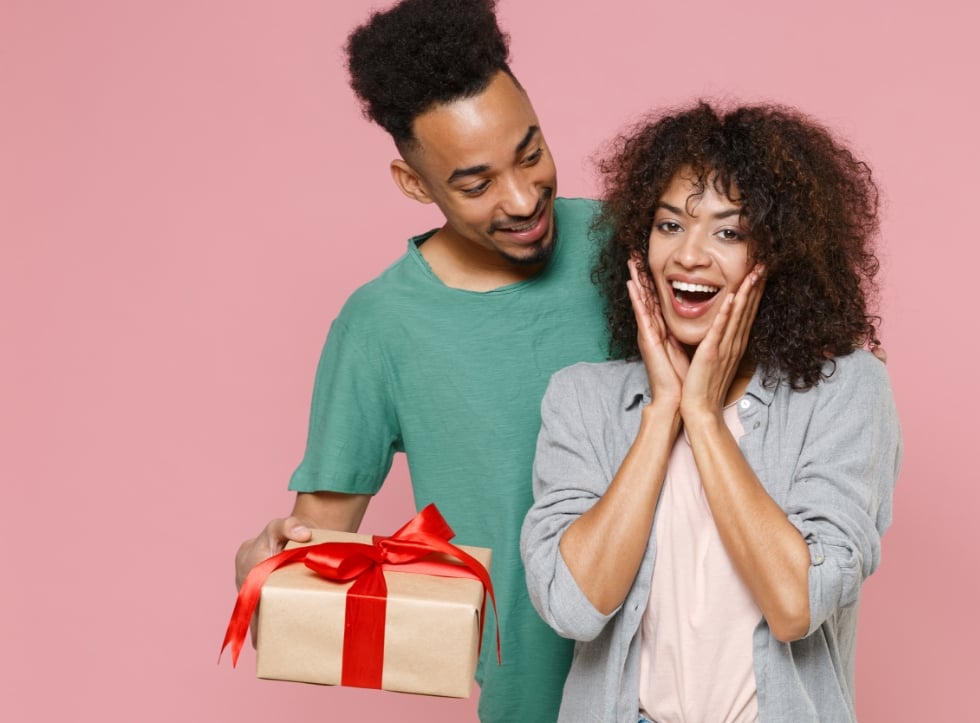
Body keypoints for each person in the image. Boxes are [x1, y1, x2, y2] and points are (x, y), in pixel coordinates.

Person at [232, 1, 608, 721]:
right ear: (415, 185)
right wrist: (265, 574)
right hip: (531, 706)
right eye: (477, 184)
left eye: (531, 153)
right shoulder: (380, 326)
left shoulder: (640, 246)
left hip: (698, 685)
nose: (524, 198)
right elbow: (316, 560)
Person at [521, 102, 903, 722]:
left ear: (781, 256)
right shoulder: (582, 399)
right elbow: (574, 605)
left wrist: (702, 416)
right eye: (669, 225)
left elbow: (795, 603)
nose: (688, 257)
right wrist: (662, 410)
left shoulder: (847, 391)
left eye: (728, 232)